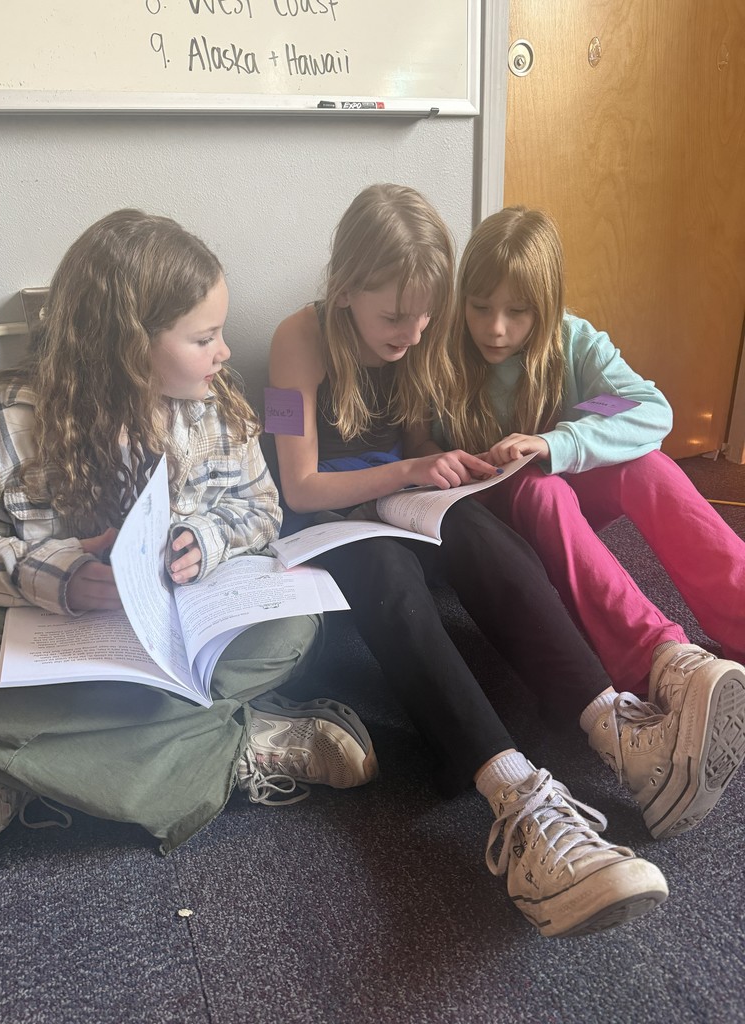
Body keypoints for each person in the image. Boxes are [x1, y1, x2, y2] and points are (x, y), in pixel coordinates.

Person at [269, 182, 677, 939]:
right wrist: (406, 473)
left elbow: (419, 442)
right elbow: (299, 482)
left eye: (426, 314)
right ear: (345, 286)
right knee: (390, 577)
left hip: (398, 495)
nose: (414, 330)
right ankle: (516, 800)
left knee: (487, 539)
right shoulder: (298, 339)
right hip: (324, 519)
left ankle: (612, 726)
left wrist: (442, 466)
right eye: (395, 316)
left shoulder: (421, 334)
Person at [0, 209, 379, 864]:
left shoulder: (218, 412)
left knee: (295, 627)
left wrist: (205, 538)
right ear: (130, 348)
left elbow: (261, 507)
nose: (224, 352)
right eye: (205, 337)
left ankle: (15, 774)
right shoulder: (8, 417)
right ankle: (232, 746)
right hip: (44, 636)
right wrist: (57, 575)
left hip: (170, 635)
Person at [446, 204, 745, 841]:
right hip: (490, 523)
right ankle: (658, 659)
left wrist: (558, 440)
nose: (495, 329)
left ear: (547, 308)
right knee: (543, 493)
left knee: (651, 469)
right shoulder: (445, 354)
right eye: (479, 307)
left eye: (517, 312)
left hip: (556, 484)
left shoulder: (573, 345)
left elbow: (647, 410)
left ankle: (736, 625)